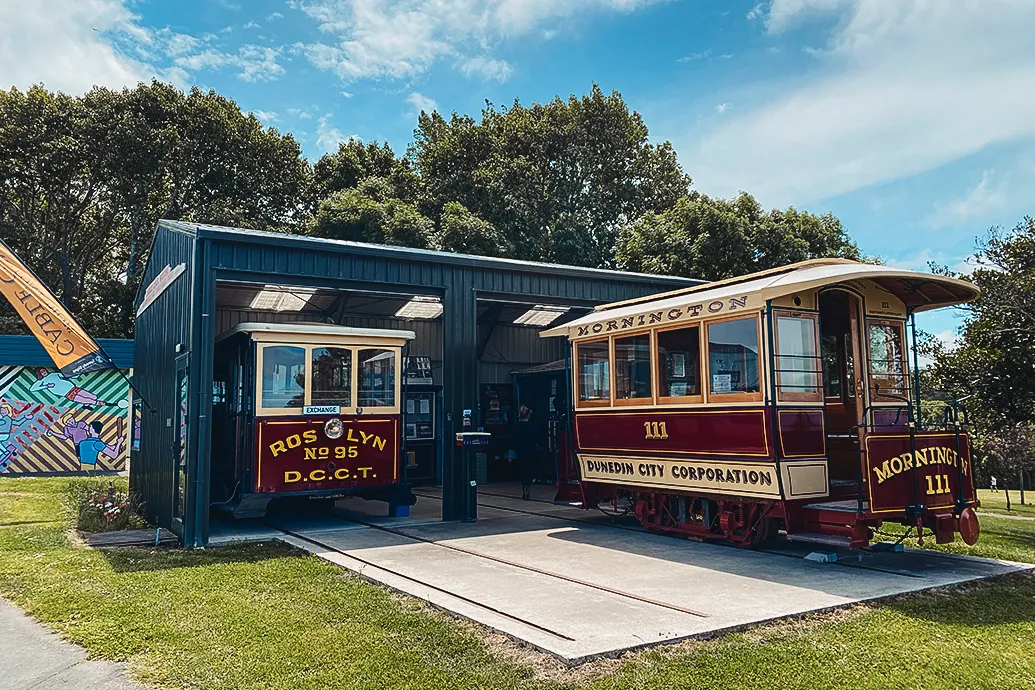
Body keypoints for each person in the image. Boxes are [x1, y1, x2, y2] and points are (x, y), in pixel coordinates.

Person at [29, 368, 111, 408]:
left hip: (74, 389)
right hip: (68, 394)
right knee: (91, 400)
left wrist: (75, 375)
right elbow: (32, 388)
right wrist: (46, 386)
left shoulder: (53, 374)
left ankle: (85, 405)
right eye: (42, 372)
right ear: (39, 374)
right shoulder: (42, 381)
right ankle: (103, 403)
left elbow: (65, 375)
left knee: (93, 397)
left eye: (44, 370)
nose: (44, 372)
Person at [514, 405, 538, 500]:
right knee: (530, 469)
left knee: (522, 469)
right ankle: (527, 485)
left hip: (521, 450)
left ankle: (524, 485)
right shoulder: (532, 426)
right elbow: (537, 437)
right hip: (530, 450)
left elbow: (514, 440)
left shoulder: (517, 426)